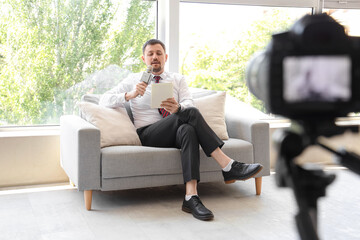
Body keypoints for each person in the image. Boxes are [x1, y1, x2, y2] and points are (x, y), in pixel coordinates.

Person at [99, 39, 263, 221]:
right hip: (149, 134)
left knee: (188, 129)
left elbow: (188, 103)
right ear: (143, 58)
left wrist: (177, 109)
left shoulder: (177, 79)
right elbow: (103, 100)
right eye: (150, 53)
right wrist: (130, 95)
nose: (155, 57)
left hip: (176, 131)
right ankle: (227, 165)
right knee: (190, 115)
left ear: (165, 57)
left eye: (159, 53)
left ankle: (191, 197)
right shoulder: (133, 81)